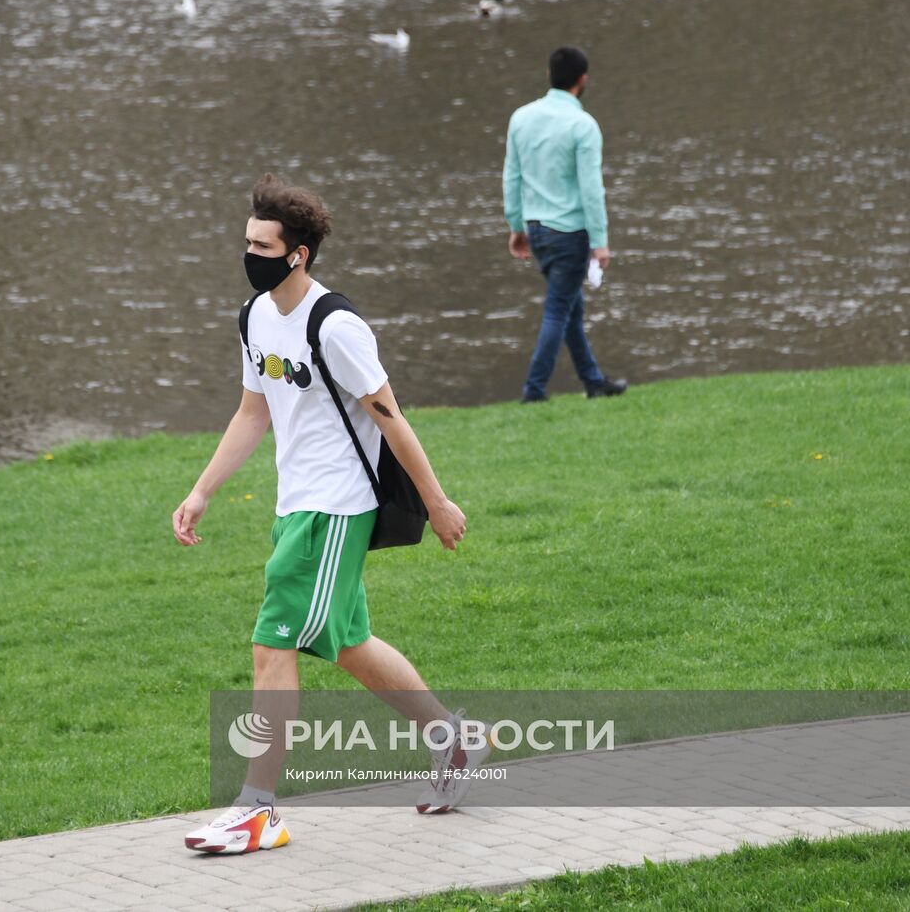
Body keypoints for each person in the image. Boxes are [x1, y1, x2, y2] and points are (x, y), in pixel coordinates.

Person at [173, 174, 488, 855]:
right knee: (347, 643)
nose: (248, 253)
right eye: (246, 240)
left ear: (299, 254)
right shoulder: (255, 317)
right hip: (295, 506)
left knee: (272, 643)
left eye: (262, 244)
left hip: (336, 507)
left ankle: (258, 808)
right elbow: (252, 411)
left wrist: (437, 501)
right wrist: (202, 491)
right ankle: (455, 741)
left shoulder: (335, 325)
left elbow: (391, 418)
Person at [504, 46, 628, 403]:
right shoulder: (582, 125)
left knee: (571, 307)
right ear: (583, 80)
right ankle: (534, 391)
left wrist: (516, 226)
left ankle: (593, 381)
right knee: (559, 309)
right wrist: (601, 241)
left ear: (548, 76)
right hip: (570, 232)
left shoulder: (521, 118)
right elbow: (592, 188)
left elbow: (511, 176)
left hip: (538, 229)